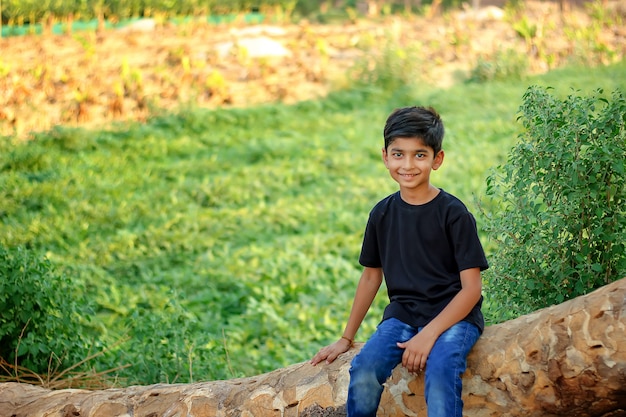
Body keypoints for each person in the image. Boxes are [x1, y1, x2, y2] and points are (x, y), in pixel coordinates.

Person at [310, 106, 488, 417]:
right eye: (398, 154)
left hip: (454, 317)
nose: (408, 164)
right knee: (364, 368)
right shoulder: (382, 214)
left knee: (441, 371)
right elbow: (370, 277)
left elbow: (471, 290)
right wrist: (345, 338)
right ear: (385, 156)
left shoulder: (454, 214)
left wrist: (428, 335)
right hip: (403, 315)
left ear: (437, 159)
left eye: (420, 155)